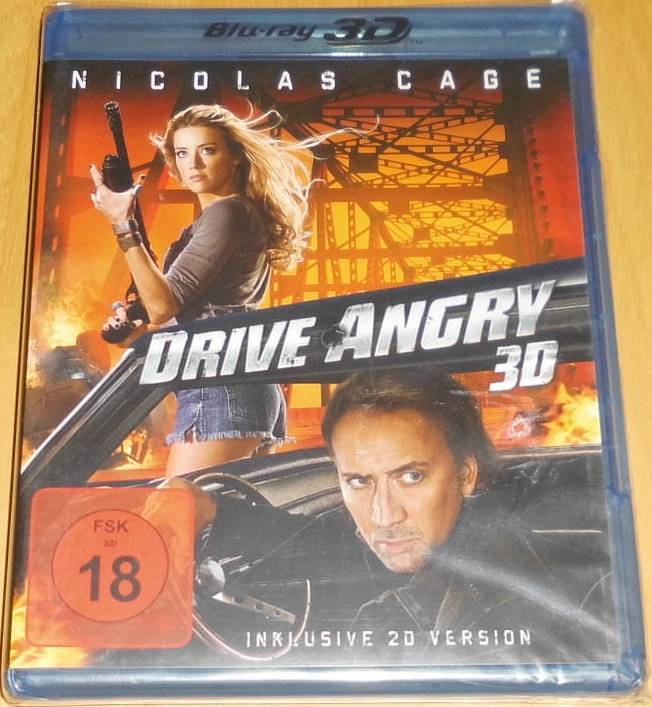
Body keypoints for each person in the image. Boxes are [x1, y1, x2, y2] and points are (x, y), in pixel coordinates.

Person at [172, 367, 615, 665]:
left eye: (411, 477)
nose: (383, 515)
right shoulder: (447, 536)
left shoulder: (501, 608)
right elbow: (333, 545)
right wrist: (213, 512)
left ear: (466, 474)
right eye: (359, 481)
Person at [90, 104, 317, 475]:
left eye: (207, 150)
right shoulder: (226, 216)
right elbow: (176, 313)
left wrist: (122, 223)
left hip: (220, 388)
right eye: (182, 153)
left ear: (236, 157)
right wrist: (137, 327)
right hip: (234, 381)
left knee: (174, 505)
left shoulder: (227, 213)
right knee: (218, 511)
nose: (193, 163)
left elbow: (164, 306)